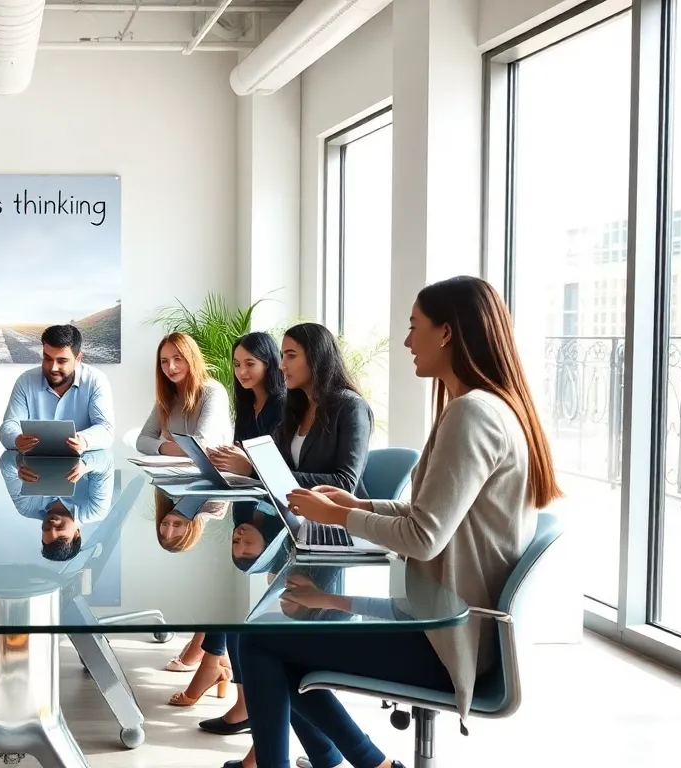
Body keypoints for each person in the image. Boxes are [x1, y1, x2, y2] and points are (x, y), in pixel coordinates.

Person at [231, 275, 560, 768]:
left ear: (446, 333)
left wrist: (339, 515)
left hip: (449, 642)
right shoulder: (488, 408)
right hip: (443, 620)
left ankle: (359, 761)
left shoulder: (473, 414)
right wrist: (358, 507)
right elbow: (426, 516)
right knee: (274, 639)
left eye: (414, 327)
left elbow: (423, 538)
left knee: (260, 640)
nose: (407, 341)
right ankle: (369, 762)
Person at [168, 332, 287, 733]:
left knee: (235, 606)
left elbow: (280, 470)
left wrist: (245, 463)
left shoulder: (284, 406)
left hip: (272, 517)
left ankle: (236, 692)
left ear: (270, 364)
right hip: (245, 507)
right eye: (237, 365)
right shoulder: (249, 405)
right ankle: (218, 670)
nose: (241, 372)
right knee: (226, 596)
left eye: (250, 364)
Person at [208, 323, 372, 495]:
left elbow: (345, 483)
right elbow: (274, 462)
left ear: (317, 357)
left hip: (336, 517)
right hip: (294, 512)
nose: (281, 365)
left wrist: (254, 470)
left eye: (291, 356)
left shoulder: (352, 407)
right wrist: (231, 457)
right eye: (282, 356)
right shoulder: (296, 406)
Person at [0, 324, 114, 454]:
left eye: (62, 361)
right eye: (47, 358)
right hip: (33, 468)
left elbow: (106, 429)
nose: (53, 368)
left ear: (78, 359)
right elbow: (8, 426)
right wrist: (17, 439)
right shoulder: (25, 381)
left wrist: (83, 440)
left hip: (84, 468)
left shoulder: (95, 380)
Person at [136, 332, 232, 455]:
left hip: (214, 470)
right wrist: (167, 447)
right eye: (164, 361)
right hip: (179, 469)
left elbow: (202, 447)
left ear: (191, 359)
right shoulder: (167, 396)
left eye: (178, 359)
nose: (171, 367)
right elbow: (142, 441)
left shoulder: (213, 392)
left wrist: (162, 446)